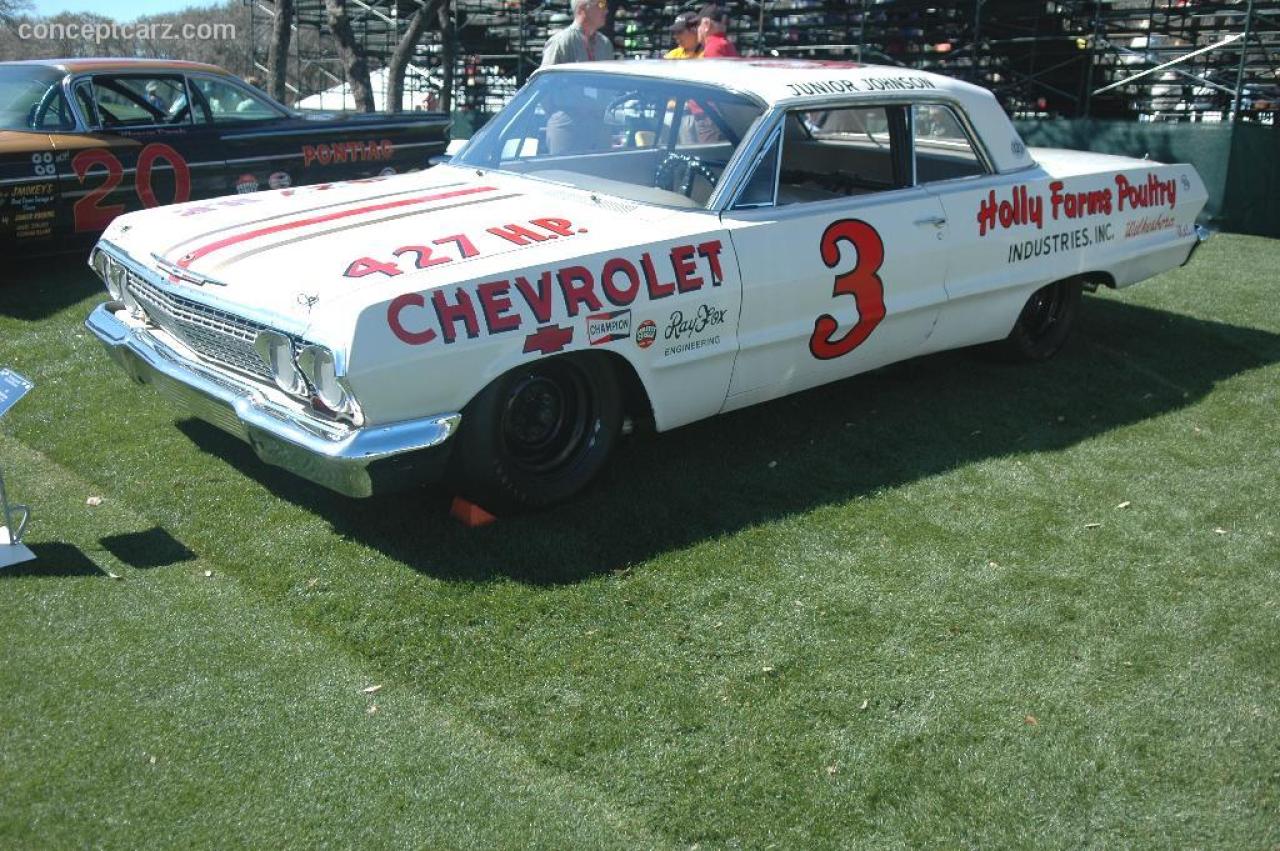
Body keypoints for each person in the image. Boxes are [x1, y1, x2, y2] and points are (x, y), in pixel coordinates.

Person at [541, 0, 613, 67]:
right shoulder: (560, 43)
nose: (606, 11)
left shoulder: (605, 44)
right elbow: (547, 79)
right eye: (601, 4)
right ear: (582, 9)